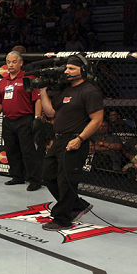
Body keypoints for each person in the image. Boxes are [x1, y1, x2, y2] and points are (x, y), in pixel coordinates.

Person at [38, 56, 103, 231]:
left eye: (72, 68)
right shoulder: (65, 91)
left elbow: (97, 120)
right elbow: (51, 113)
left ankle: (62, 219)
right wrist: (42, 91)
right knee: (48, 175)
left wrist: (80, 139)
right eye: (66, 68)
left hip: (75, 140)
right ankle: (77, 205)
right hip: (59, 140)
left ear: (83, 70)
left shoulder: (90, 91)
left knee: (66, 180)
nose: (67, 71)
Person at [0, 51, 42, 191]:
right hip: (8, 120)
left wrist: (37, 117)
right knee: (11, 150)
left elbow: (37, 99)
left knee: (28, 151)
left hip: (24, 119)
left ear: (21, 63)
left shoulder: (28, 78)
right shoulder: (3, 81)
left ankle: (34, 180)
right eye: (8, 62)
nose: (11, 64)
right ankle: (17, 176)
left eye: (14, 62)